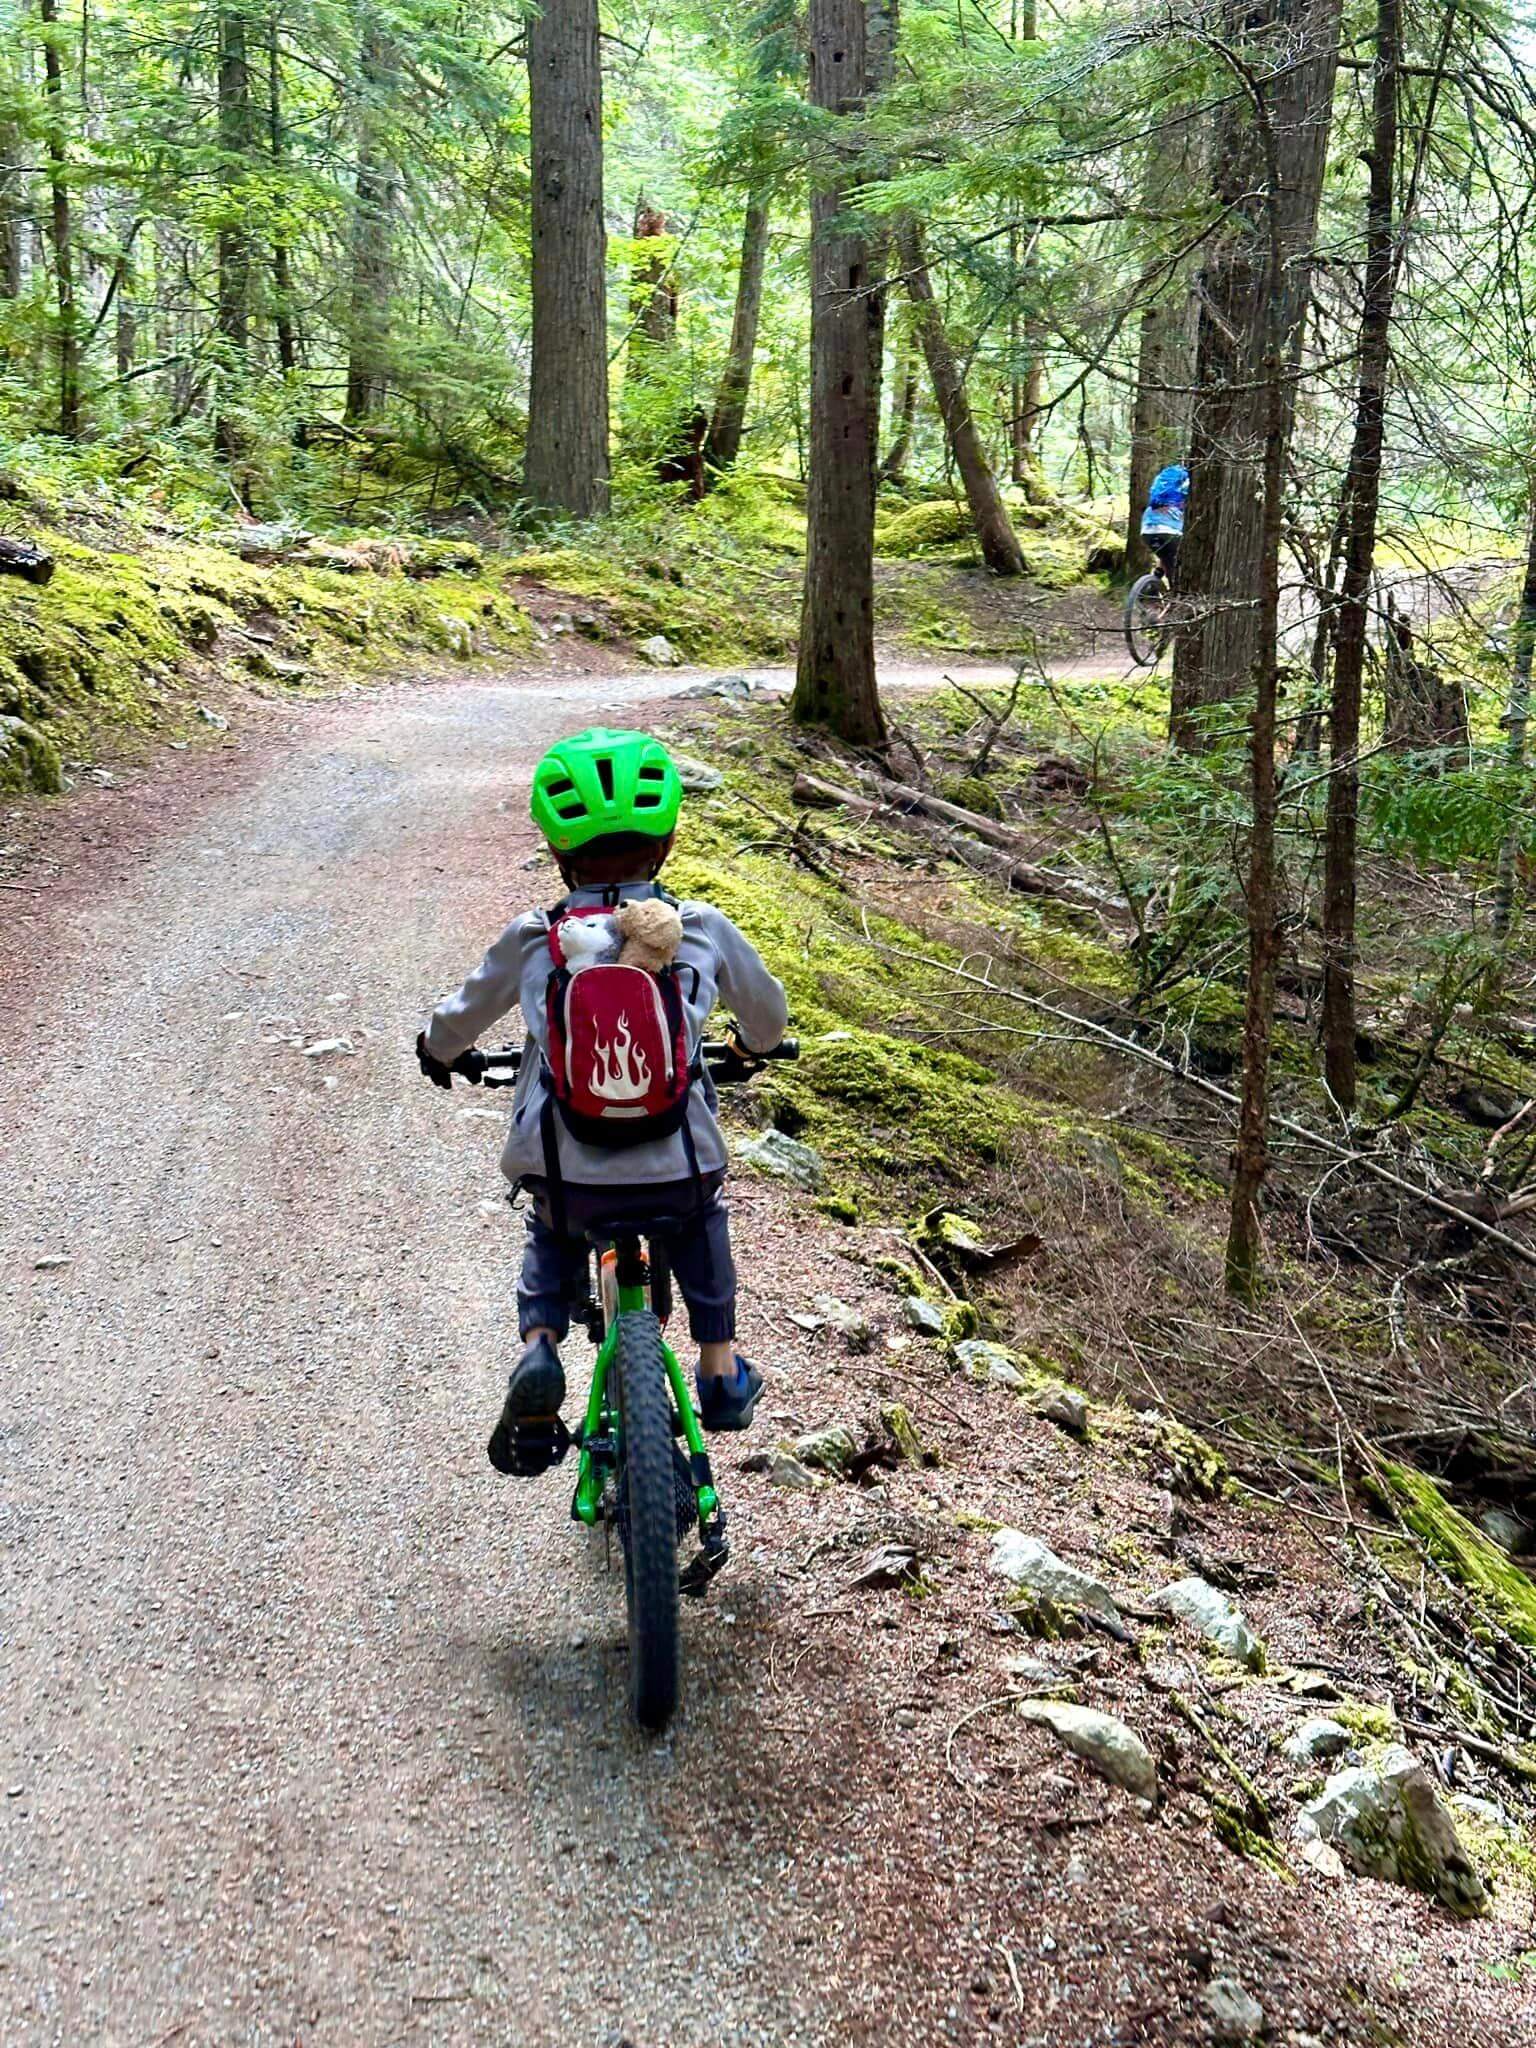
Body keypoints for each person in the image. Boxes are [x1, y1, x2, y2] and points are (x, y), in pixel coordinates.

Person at [416, 727, 789, 1478]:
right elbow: (768, 1018)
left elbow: (458, 1018)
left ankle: (541, 1346)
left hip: (569, 1171)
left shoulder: (535, 937)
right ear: (670, 841)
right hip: (676, 1165)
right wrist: (751, 1049)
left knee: (551, 1231)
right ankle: (718, 1365)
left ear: (557, 851)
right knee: (700, 1215)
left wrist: (440, 1052)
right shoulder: (702, 930)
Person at [1140, 461, 1189, 586]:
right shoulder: (1186, 480)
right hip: (1171, 529)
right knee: (1178, 562)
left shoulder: (1162, 479)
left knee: (1165, 556)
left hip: (1147, 529)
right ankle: (1175, 594)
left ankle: (1151, 585)